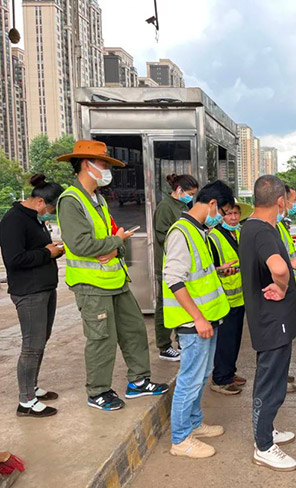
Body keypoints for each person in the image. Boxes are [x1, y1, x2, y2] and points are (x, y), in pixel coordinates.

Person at [56, 140, 169, 411]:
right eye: (104, 164)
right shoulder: (71, 201)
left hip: (115, 280)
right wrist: (115, 242)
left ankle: (138, 381)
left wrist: (113, 246)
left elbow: (108, 237)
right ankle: (98, 391)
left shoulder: (99, 199)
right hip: (91, 285)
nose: (107, 170)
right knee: (101, 339)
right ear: (87, 165)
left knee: (134, 330)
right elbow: (80, 244)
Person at [239, 175, 296, 471]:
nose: (288, 207)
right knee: (271, 383)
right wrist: (281, 285)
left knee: (273, 379)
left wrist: (289, 266)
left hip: (268, 319)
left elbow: (275, 264)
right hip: (272, 320)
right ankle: (264, 446)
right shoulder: (264, 232)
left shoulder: (251, 227)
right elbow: (277, 269)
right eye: (288, 202)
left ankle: (266, 429)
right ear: (280, 201)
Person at [163, 180, 234, 459]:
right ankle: (180, 439)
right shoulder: (181, 232)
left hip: (207, 319)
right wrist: (198, 318)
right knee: (190, 379)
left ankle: (194, 423)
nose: (222, 217)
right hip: (193, 323)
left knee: (201, 376)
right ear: (212, 204)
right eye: (223, 211)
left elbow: (196, 274)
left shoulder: (199, 231)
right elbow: (174, 279)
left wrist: (218, 270)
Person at [0, 174, 64, 418]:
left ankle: (32, 387)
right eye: (51, 208)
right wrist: (47, 253)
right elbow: (14, 259)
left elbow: (37, 249)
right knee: (31, 346)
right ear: (40, 202)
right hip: (29, 292)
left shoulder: (33, 219)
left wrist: (53, 251)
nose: (50, 213)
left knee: (40, 341)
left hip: (44, 288)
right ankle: (25, 401)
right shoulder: (13, 221)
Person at [207, 198, 253, 395]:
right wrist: (221, 270)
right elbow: (208, 268)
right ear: (222, 216)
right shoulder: (214, 237)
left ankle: (229, 372)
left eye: (236, 214)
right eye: (229, 214)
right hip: (224, 297)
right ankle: (220, 379)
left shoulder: (239, 233)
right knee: (225, 341)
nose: (233, 218)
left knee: (234, 339)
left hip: (239, 296)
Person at [153, 173, 199, 362]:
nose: (191, 197)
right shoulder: (165, 207)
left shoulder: (183, 206)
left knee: (182, 303)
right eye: (190, 193)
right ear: (179, 190)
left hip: (182, 263)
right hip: (168, 263)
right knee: (164, 305)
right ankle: (164, 345)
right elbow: (163, 236)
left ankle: (181, 339)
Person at [277, 184, 296, 393]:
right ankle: (278, 379)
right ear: (282, 200)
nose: (294, 205)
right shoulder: (272, 228)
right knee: (279, 338)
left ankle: (282, 373)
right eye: (293, 200)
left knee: (286, 339)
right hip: (280, 291)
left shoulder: (281, 226)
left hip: (289, 288)